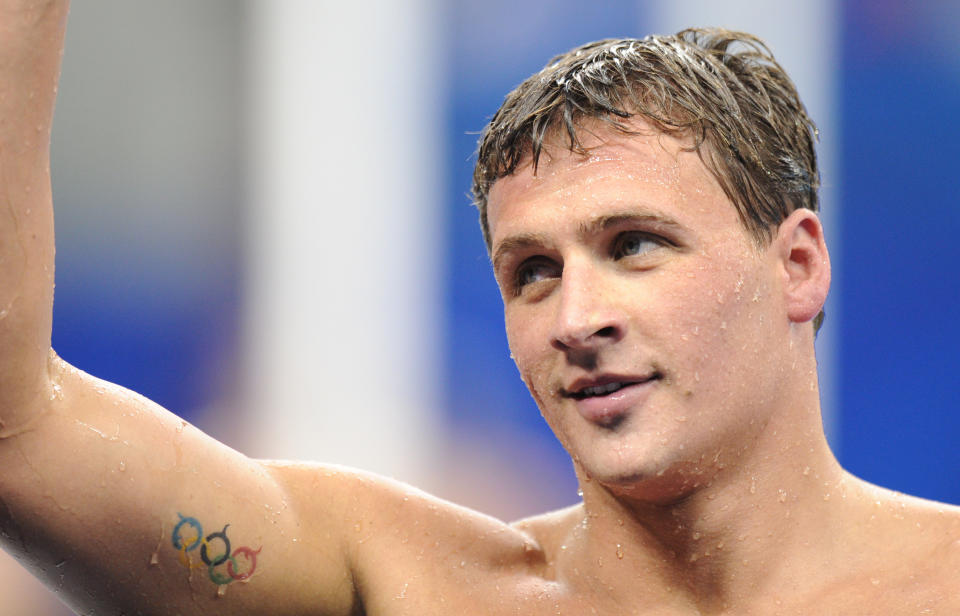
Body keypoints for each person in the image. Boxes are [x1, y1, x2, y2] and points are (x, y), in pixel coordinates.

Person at [0, 2, 957, 614]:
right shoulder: (409, 588)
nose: (577, 318)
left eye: (634, 246)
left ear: (797, 264)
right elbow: (20, 428)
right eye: (532, 271)